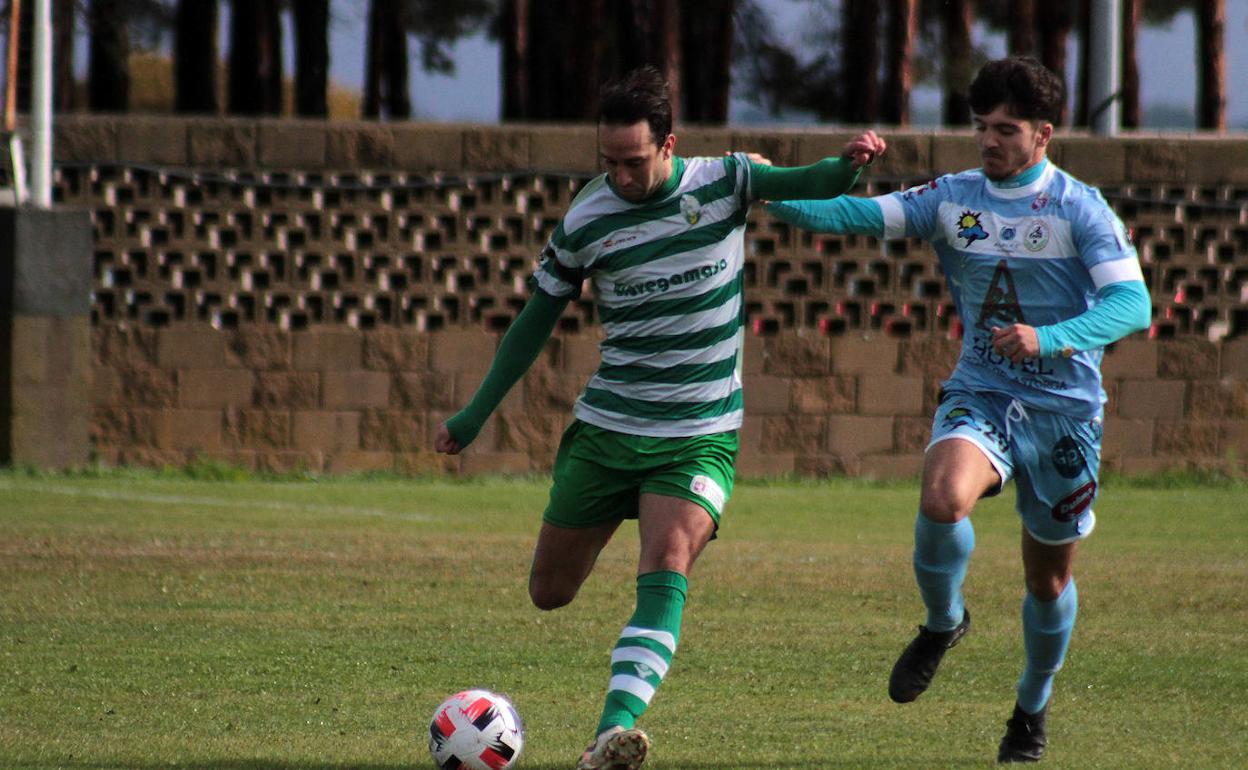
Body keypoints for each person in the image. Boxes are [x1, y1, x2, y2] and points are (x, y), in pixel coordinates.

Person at [434, 65, 886, 770]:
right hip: (611, 426)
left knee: (668, 557)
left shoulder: (724, 180)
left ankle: (610, 735)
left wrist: (849, 167)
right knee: (550, 592)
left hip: (697, 435)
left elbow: (807, 182)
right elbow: (534, 322)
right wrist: (472, 415)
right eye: (607, 162)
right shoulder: (587, 217)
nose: (619, 175)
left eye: (633, 162)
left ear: (669, 144)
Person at [765, 56, 1150, 763]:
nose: (989, 141)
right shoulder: (954, 198)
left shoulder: (1078, 208)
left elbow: (1133, 304)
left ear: (1044, 134)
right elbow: (856, 215)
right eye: (980, 127)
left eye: (1006, 129)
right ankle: (944, 622)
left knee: (1049, 579)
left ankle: (1031, 707)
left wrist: (1052, 338)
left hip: (1065, 413)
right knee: (943, 499)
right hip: (984, 392)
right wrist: (767, 188)